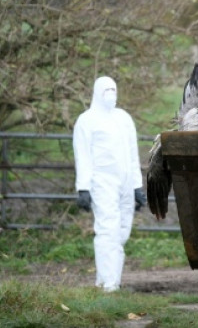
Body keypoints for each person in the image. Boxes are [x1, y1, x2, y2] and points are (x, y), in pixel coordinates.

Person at [73, 76, 146, 292]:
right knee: (107, 230)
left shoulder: (124, 118)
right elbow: (83, 156)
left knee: (122, 232)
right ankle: (110, 284)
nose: (111, 94)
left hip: (125, 183)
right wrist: (83, 187)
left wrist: (136, 186)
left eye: (113, 89)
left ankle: (106, 279)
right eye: (106, 90)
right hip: (102, 182)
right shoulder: (87, 121)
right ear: (97, 92)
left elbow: (132, 154)